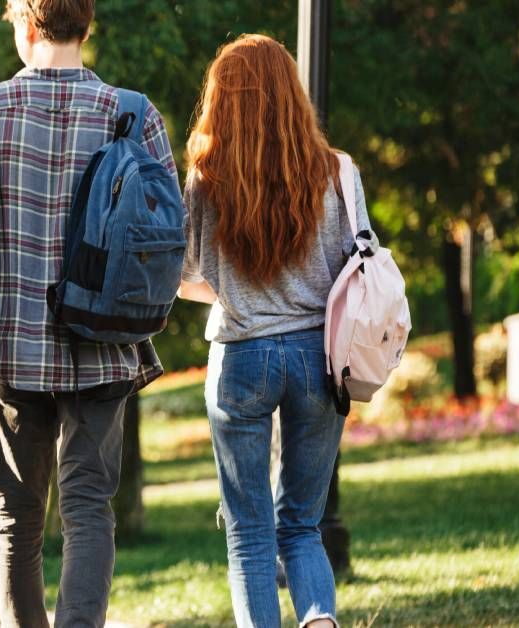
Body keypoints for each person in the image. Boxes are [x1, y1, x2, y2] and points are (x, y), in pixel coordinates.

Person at [0, 1, 180, 626]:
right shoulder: (133, 114)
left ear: (25, 26)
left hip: (12, 336)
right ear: (88, 25)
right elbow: (164, 234)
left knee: (17, 517)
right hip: (105, 337)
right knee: (88, 507)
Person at [178, 34, 371, 628]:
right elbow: (358, 269)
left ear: (222, 100)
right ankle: (318, 617)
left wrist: (237, 291)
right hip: (320, 358)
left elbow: (181, 276)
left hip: (240, 357)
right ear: (293, 94)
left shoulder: (207, 178)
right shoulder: (338, 173)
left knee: (249, 534)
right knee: (302, 524)